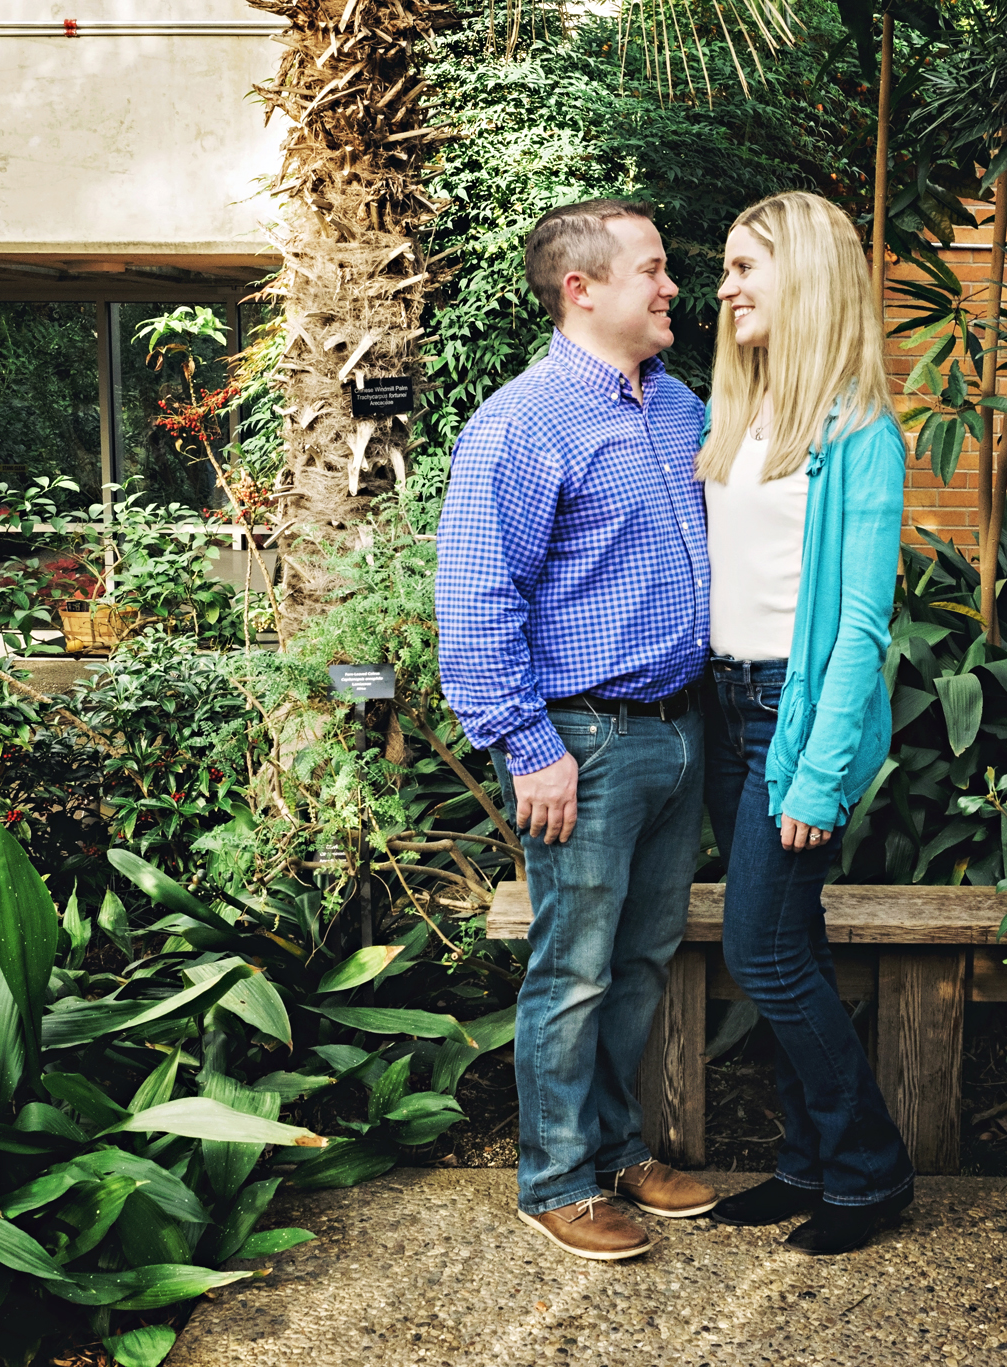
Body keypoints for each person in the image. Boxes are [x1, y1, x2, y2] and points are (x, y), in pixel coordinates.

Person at [436, 198, 719, 1261]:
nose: (671, 286)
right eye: (653, 268)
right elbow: (476, 601)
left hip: (678, 732)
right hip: (583, 743)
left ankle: (616, 1148)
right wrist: (529, 745)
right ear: (582, 288)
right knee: (575, 969)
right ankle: (553, 1178)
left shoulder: (679, 406)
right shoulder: (520, 424)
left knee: (640, 960)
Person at [696, 190, 915, 1254]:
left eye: (746, 267)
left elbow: (861, 626)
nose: (724, 287)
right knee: (793, 946)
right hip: (724, 705)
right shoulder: (736, 415)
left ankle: (870, 1171)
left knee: (762, 951)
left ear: (808, 276)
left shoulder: (861, 433)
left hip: (793, 712)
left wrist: (821, 774)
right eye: (725, 268)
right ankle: (807, 1163)